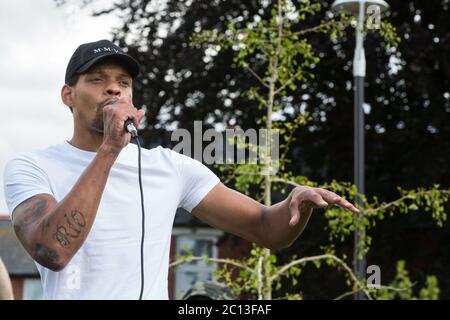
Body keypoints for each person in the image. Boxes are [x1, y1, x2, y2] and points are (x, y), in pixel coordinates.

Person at [3, 39, 359, 300]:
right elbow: (52, 250)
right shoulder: (32, 166)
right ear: (68, 95)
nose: (113, 87)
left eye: (123, 82)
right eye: (97, 79)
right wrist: (110, 150)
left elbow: (266, 228)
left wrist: (296, 203)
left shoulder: (169, 167)